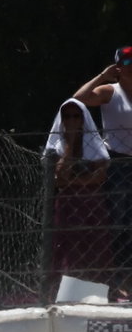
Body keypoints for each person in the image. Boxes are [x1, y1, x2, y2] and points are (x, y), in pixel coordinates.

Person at [45, 98, 116, 295]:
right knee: (67, 248)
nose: (72, 121)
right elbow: (60, 178)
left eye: (76, 116)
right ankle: (65, 292)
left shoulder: (94, 143)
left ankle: (98, 291)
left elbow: (100, 176)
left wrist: (73, 182)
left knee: (95, 246)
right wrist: (71, 142)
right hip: (68, 204)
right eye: (67, 117)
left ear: (84, 119)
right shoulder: (57, 146)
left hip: (91, 203)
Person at [72, 48, 132, 281]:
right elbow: (78, 100)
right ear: (118, 66)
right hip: (119, 162)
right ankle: (120, 276)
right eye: (126, 61)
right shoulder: (110, 92)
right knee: (119, 219)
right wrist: (102, 76)